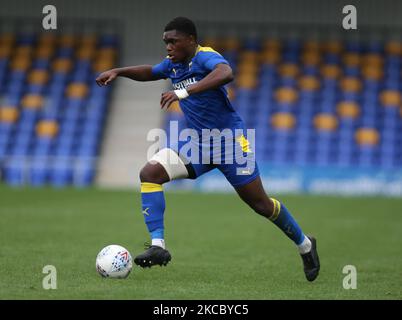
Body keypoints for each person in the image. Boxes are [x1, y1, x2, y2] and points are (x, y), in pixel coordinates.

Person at [96, 17, 320, 281]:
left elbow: (226, 73)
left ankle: (305, 245)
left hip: (229, 142)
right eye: (166, 42)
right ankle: (158, 246)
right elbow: (150, 72)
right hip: (198, 144)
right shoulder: (174, 65)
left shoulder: (205, 56)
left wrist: (184, 92)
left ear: (191, 40)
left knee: (261, 204)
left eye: (173, 41)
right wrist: (119, 71)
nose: (168, 47)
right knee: (150, 173)